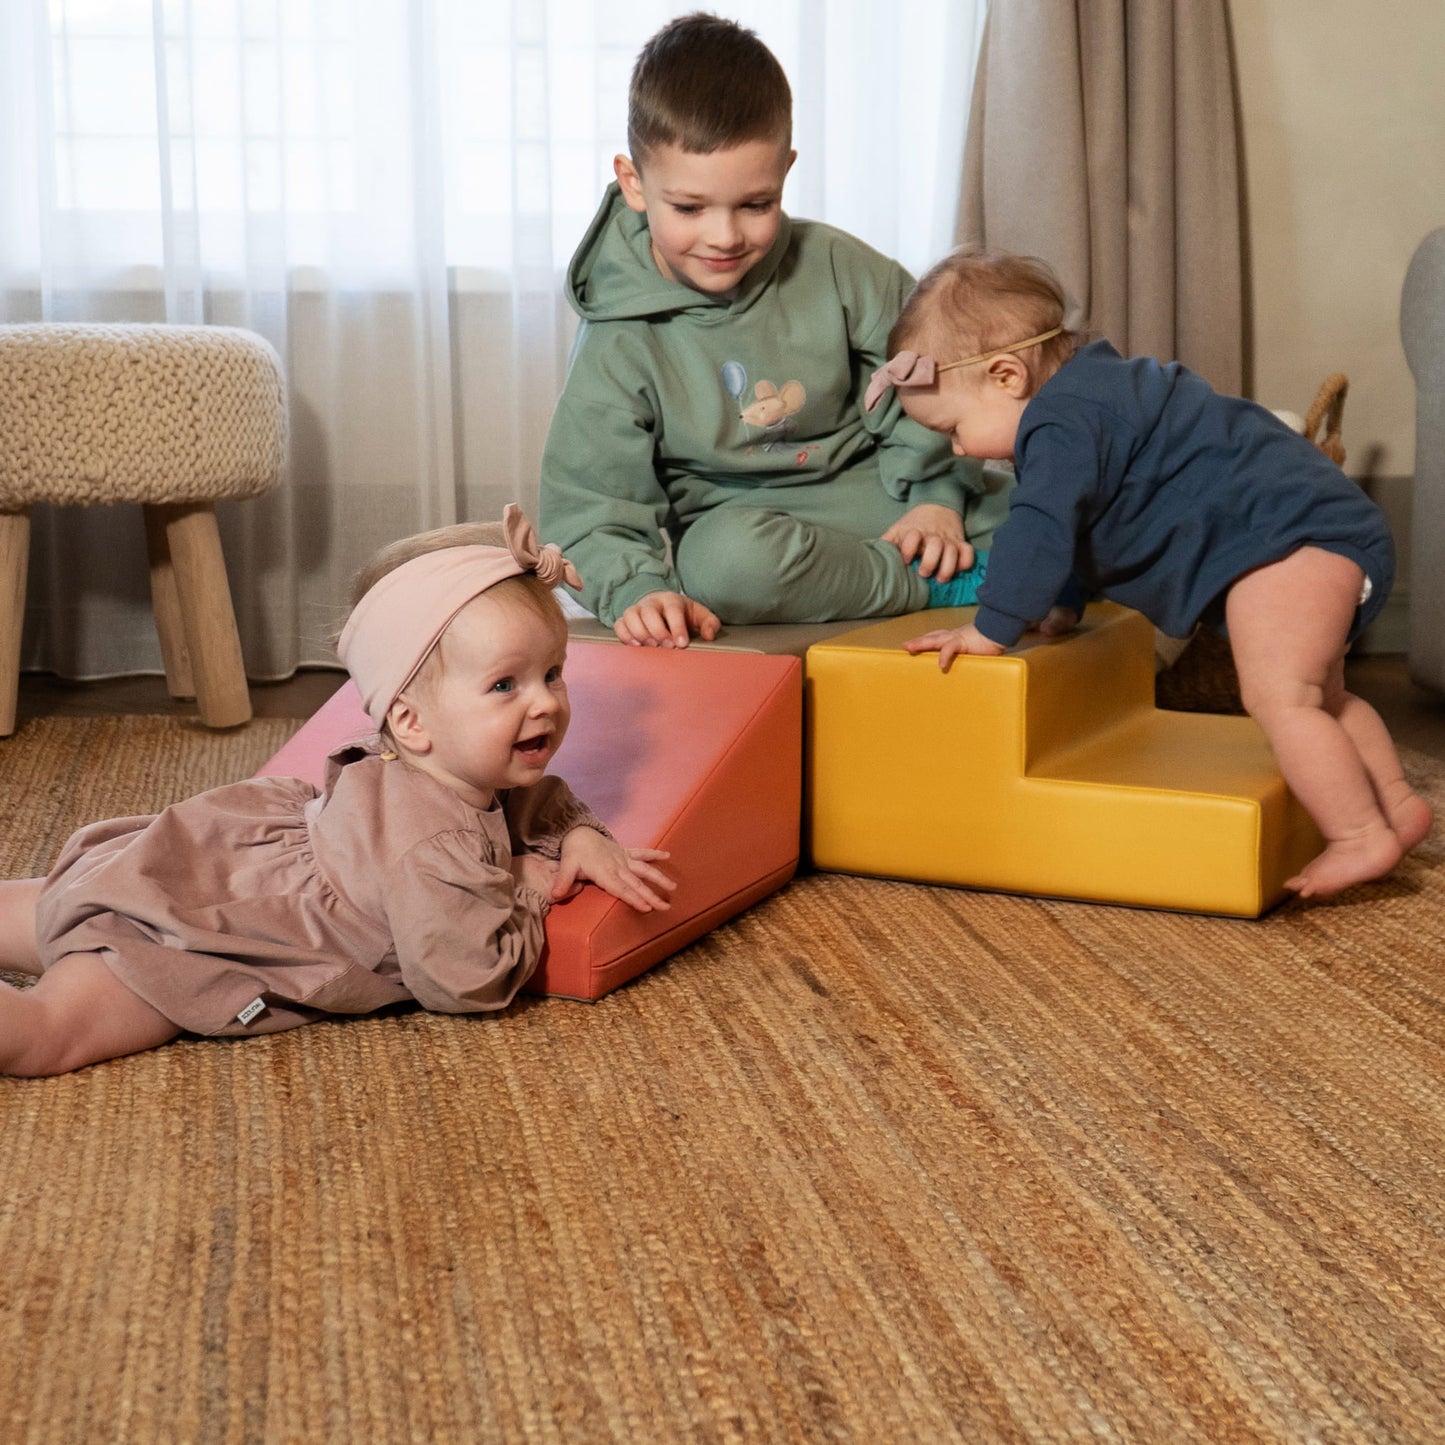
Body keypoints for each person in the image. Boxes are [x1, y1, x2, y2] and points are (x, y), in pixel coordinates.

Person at [0, 506, 674, 1077]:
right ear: (411, 721)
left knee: (48, 906)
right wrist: (525, 881)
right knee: (49, 1031)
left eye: (552, 673)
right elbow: (465, 979)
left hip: (194, 864)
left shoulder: (442, 769)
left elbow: (533, 799)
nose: (545, 704)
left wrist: (578, 833)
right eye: (505, 685)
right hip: (200, 944)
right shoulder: (429, 849)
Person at [869, 248, 1433, 899]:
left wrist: (991, 628)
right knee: (1323, 694)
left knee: (1280, 699)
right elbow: (1090, 528)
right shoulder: (1098, 393)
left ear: (1005, 376)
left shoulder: (1057, 423)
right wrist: (1060, 606)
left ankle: (1359, 833)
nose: (960, 450)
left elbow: (1041, 527)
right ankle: (1393, 801)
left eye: (954, 429)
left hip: (1283, 543)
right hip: (1324, 530)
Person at [539, 12, 1012, 649]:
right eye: (689, 208)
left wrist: (936, 498)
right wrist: (637, 590)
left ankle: (970, 563)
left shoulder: (839, 266)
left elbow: (934, 373)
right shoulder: (618, 335)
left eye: (755, 204)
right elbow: (591, 500)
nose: (725, 236)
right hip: (746, 531)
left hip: (883, 493)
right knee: (724, 570)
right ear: (634, 185)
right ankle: (935, 585)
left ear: (785, 171)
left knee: (1069, 511)